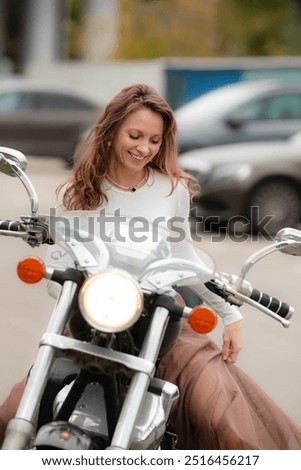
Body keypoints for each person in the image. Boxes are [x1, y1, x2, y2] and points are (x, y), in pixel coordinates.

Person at [1, 83, 301, 450]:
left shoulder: (170, 190)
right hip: (93, 316)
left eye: (155, 140)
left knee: (222, 416)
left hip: (160, 319)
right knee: (13, 412)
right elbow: (57, 273)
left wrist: (230, 316)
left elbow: (185, 258)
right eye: (135, 135)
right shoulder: (78, 192)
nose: (144, 148)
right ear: (111, 132)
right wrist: (88, 284)